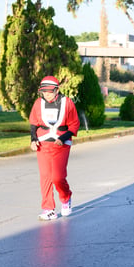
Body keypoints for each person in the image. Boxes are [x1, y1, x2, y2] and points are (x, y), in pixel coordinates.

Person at [29, 76, 80, 221]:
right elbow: (33, 122)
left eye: (50, 91)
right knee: (45, 177)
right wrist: (33, 139)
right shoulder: (38, 103)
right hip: (43, 143)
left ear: (57, 90)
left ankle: (66, 197)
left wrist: (62, 138)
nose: (47, 94)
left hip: (61, 144)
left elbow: (74, 124)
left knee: (57, 177)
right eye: (44, 91)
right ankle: (48, 209)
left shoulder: (67, 103)